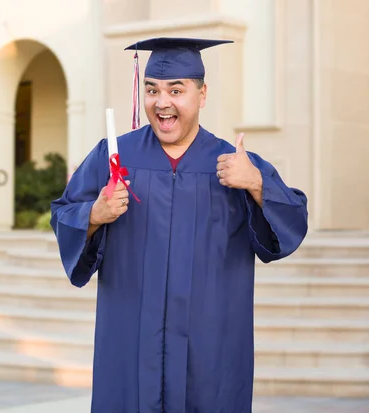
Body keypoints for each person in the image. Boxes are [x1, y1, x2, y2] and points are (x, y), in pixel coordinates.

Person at [49, 37, 309, 413]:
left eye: (176, 90)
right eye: (152, 90)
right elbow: (64, 213)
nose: (162, 101)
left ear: (202, 96)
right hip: (131, 342)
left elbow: (292, 222)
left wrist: (256, 183)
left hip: (211, 346)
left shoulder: (233, 163)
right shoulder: (114, 155)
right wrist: (93, 215)